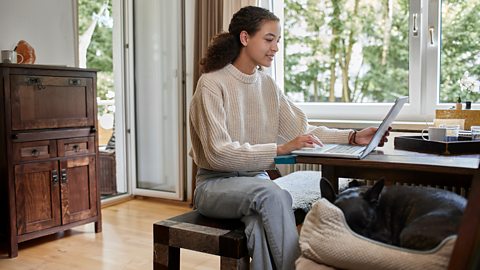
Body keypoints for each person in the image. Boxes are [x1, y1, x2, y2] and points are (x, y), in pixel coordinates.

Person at [189, 6, 389, 270]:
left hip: (255, 183)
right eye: (269, 39)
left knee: (260, 226)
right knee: (273, 195)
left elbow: (302, 130)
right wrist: (280, 148)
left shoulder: (267, 85)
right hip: (214, 186)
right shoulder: (212, 83)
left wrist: (352, 137)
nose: (275, 48)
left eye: (278, 41)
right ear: (245, 38)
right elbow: (217, 152)